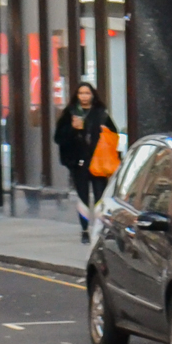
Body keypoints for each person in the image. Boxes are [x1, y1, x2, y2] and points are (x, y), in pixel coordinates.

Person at [52, 82, 117, 238]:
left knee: (100, 195)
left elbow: (113, 135)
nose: (84, 96)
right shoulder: (70, 113)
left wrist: (104, 132)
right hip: (79, 162)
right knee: (82, 196)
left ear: (92, 95)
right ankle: (84, 229)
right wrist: (73, 129)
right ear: (77, 96)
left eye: (87, 93)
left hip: (98, 161)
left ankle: (100, 228)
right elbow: (58, 138)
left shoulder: (100, 113)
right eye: (81, 93)